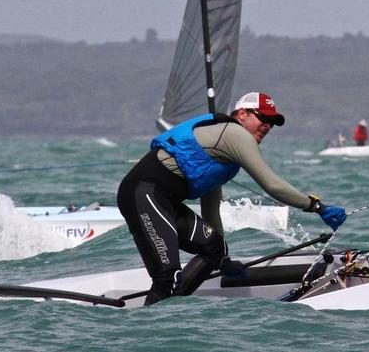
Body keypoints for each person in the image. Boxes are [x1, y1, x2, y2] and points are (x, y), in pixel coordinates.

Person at [116, 92, 347, 306]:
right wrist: (317, 206)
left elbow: (210, 206)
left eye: (272, 122)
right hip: (143, 193)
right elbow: (272, 185)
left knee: (214, 248)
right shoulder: (235, 134)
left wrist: (223, 260)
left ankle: (169, 303)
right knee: (167, 275)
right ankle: (149, 332)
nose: (267, 125)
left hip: (162, 200)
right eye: (262, 117)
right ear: (242, 115)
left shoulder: (225, 154)